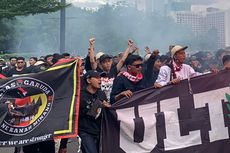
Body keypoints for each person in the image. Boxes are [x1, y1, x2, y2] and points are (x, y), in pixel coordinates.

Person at [79, 70, 110, 153]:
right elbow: (87, 114)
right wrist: (100, 105)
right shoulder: (80, 96)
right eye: (96, 78)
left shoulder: (101, 94)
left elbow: (106, 111)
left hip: (100, 130)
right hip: (86, 131)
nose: (100, 80)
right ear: (89, 81)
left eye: (100, 78)